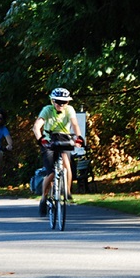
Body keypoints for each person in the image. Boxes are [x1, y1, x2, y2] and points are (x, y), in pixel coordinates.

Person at [32, 87, 84, 216]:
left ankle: (67, 192)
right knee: (51, 173)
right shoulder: (47, 110)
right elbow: (36, 126)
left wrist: (79, 138)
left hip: (64, 138)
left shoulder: (69, 110)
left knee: (67, 165)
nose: (61, 104)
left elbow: (75, 125)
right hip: (49, 140)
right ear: (52, 101)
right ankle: (43, 199)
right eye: (58, 101)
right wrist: (41, 139)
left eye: (64, 102)